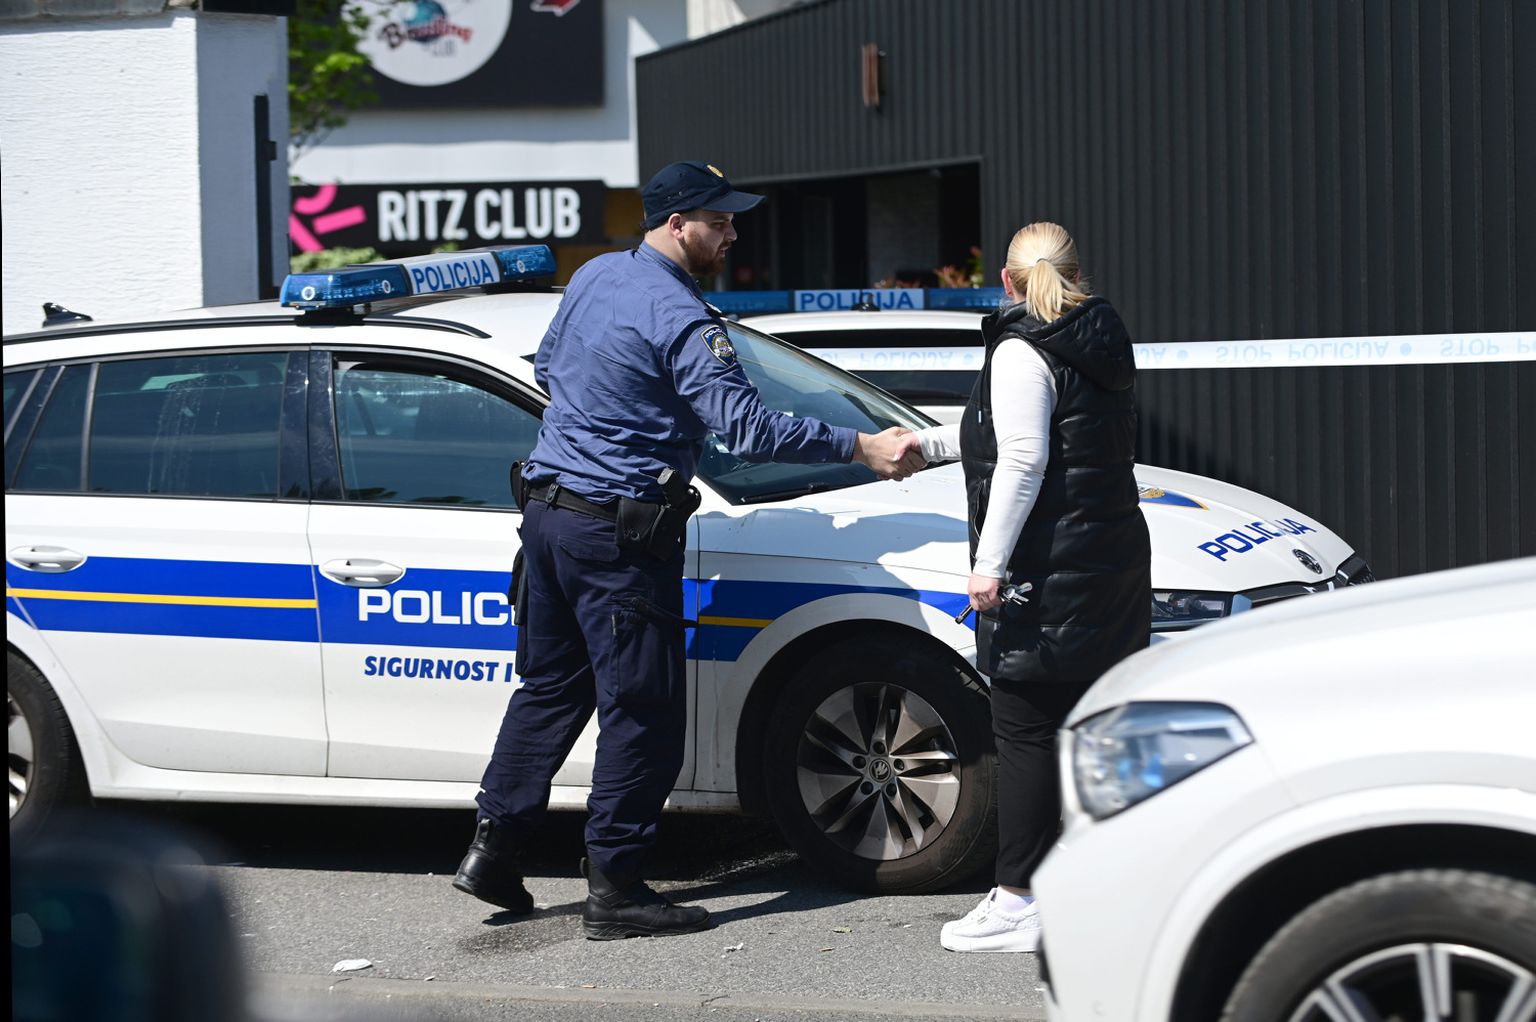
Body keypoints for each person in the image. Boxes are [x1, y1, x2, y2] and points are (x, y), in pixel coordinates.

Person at [452, 161, 924, 940]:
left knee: (551, 690)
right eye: (720, 222)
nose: (733, 235)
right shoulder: (682, 315)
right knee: (641, 711)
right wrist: (861, 446)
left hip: (548, 517)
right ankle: (616, 890)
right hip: (615, 536)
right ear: (677, 225)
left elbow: (551, 369)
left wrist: (616, 421)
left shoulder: (596, 275)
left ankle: (492, 851)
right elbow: (751, 429)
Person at [911, 222, 1151, 953]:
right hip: (1108, 562)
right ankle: (1108, 885)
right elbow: (1019, 434)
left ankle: (1019, 900)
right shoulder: (1096, 339)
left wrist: (988, 565)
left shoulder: (1022, 348)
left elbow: (1021, 458)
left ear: (1008, 281)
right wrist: (922, 444)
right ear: (1076, 274)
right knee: (1090, 726)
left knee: (1024, 732)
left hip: (1047, 574)